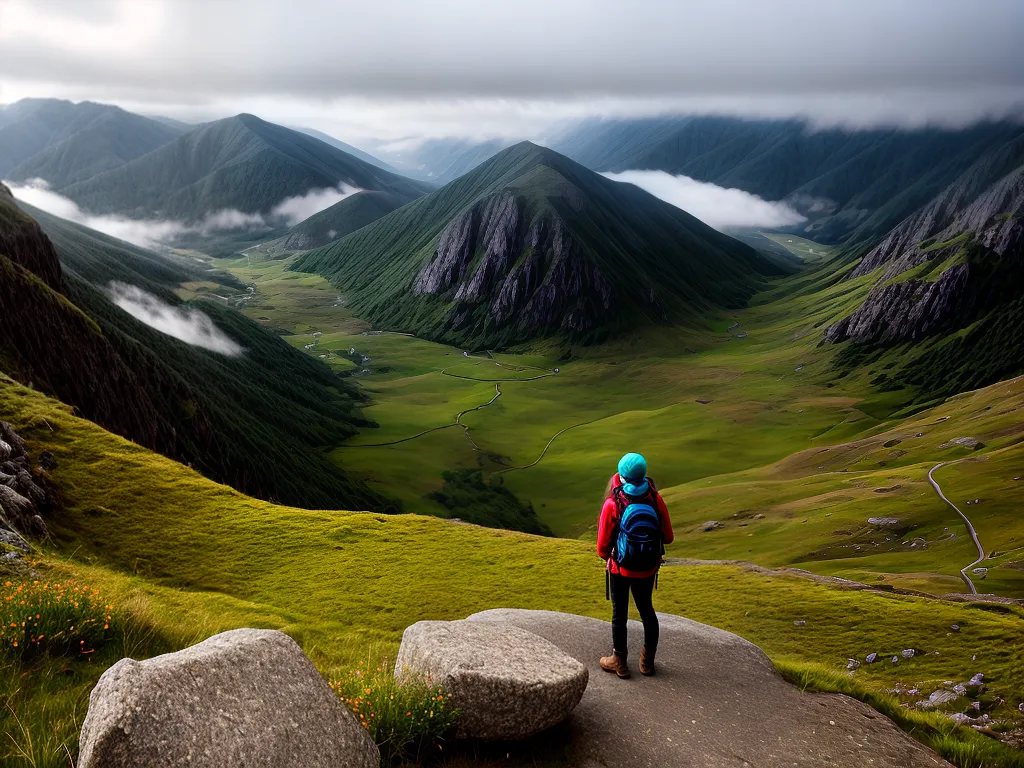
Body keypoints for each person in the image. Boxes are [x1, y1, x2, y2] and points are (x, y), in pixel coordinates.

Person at [596, 452, 674, 679]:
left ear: (621, 476)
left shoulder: (613, 502)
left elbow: (602, 548)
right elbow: (668, 537)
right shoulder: (654, 498)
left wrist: (615, 554)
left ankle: (619, 662)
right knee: (647, 611)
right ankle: (647, 662)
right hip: (648, 568)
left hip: (620, 569)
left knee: (619, 615)